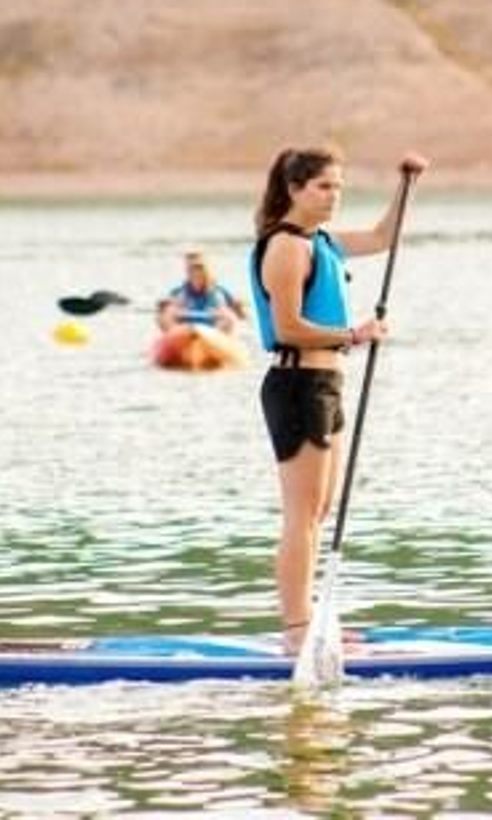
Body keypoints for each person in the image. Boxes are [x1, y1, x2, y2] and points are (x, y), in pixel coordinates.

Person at [249, 145, 429, 655]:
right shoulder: (286, 247)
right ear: (294, 189)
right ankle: (297, 632)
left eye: (339, 187)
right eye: (324, 186)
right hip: (297, 386)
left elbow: (382, 238)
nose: (334, 197)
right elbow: (287, 327)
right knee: (301, 514)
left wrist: (405, 185)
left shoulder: (320, 241)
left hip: (325, 385)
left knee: (320, 510)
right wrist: (355, 334)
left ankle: (312, 621)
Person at [156, 251, 248, 334]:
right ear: (186, 270)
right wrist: (163, 309)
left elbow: (242, 316)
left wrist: (238, 308)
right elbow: (164, 317)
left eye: (199, 267)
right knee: (167, 314)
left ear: (206, 270)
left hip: (213, 336)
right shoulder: (177, 293)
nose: (195, 272)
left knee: (228, 316)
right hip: (184, 334)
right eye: (191, 268)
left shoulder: (220, 292)